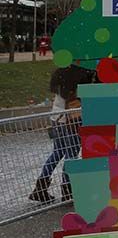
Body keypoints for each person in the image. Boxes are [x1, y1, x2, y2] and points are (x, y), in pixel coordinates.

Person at [30, 66, 93, 203]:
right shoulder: (80, 76)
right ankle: (68, 190)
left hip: (56, 117)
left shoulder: (60, 74)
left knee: (57, 152)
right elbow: (75, 101)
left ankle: (40, 188)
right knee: (72, 155)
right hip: (71, 120)